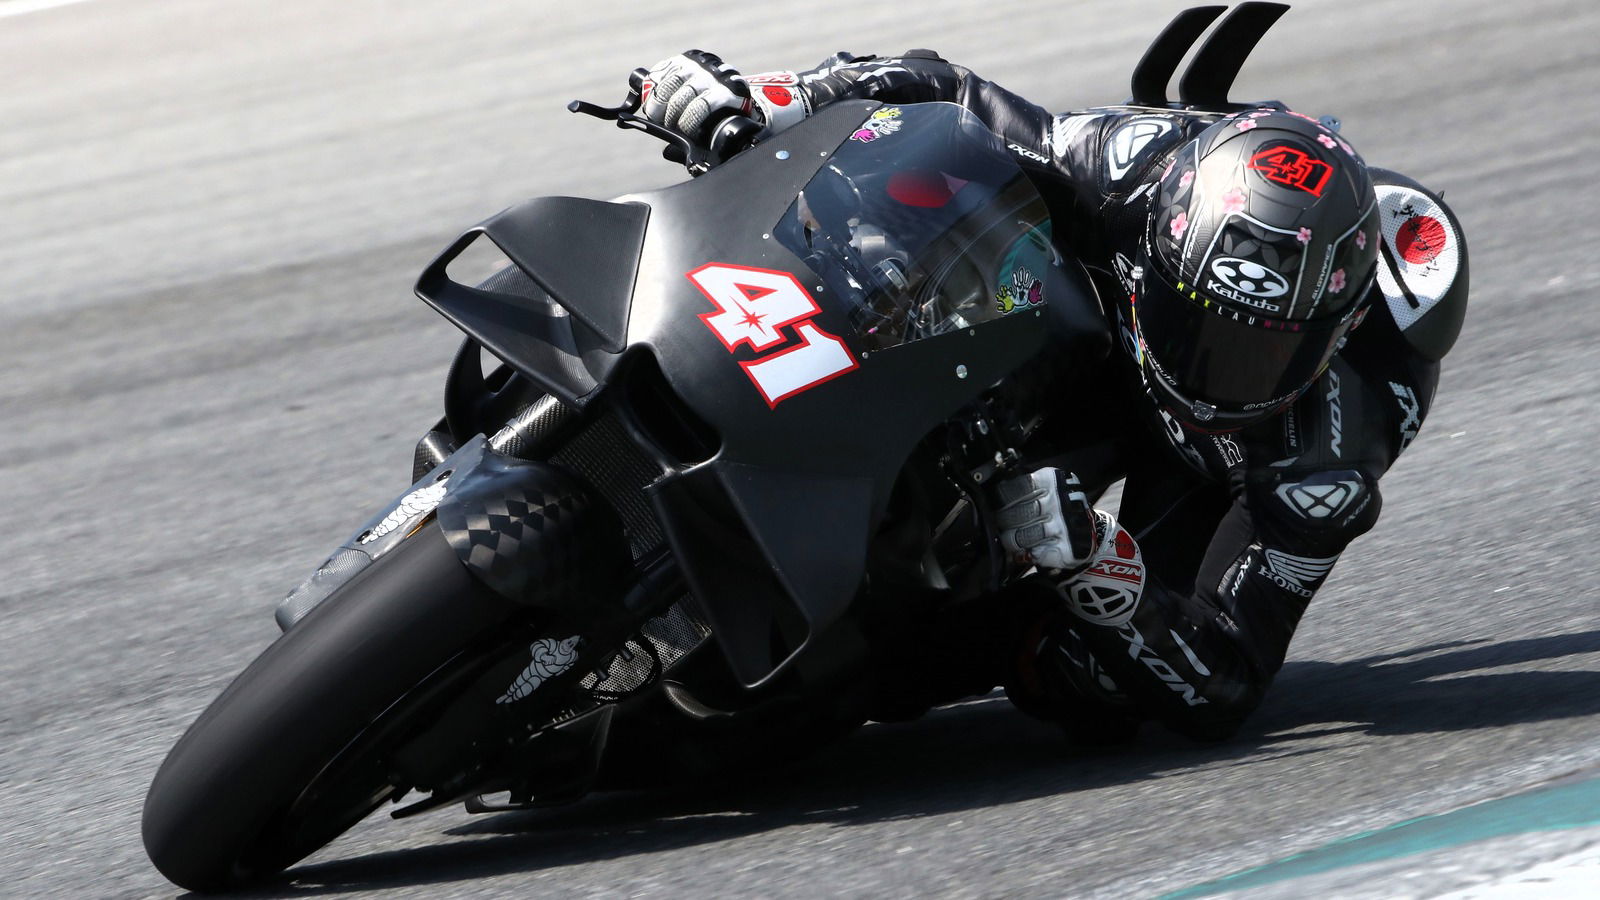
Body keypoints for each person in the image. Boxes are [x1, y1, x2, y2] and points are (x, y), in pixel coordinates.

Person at [631, 46, 1468, 744]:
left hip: (1212, 468)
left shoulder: (1325, 457)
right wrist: (769, 102)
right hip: (1099, 313)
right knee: (901, 220)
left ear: (1335, 333)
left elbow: (1228, 680)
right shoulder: (1136, 171)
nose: (1215, 373)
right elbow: (950, 96)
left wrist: (1101, 567)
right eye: (1199, 328)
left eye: (1260, 352)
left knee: (1087, 682)